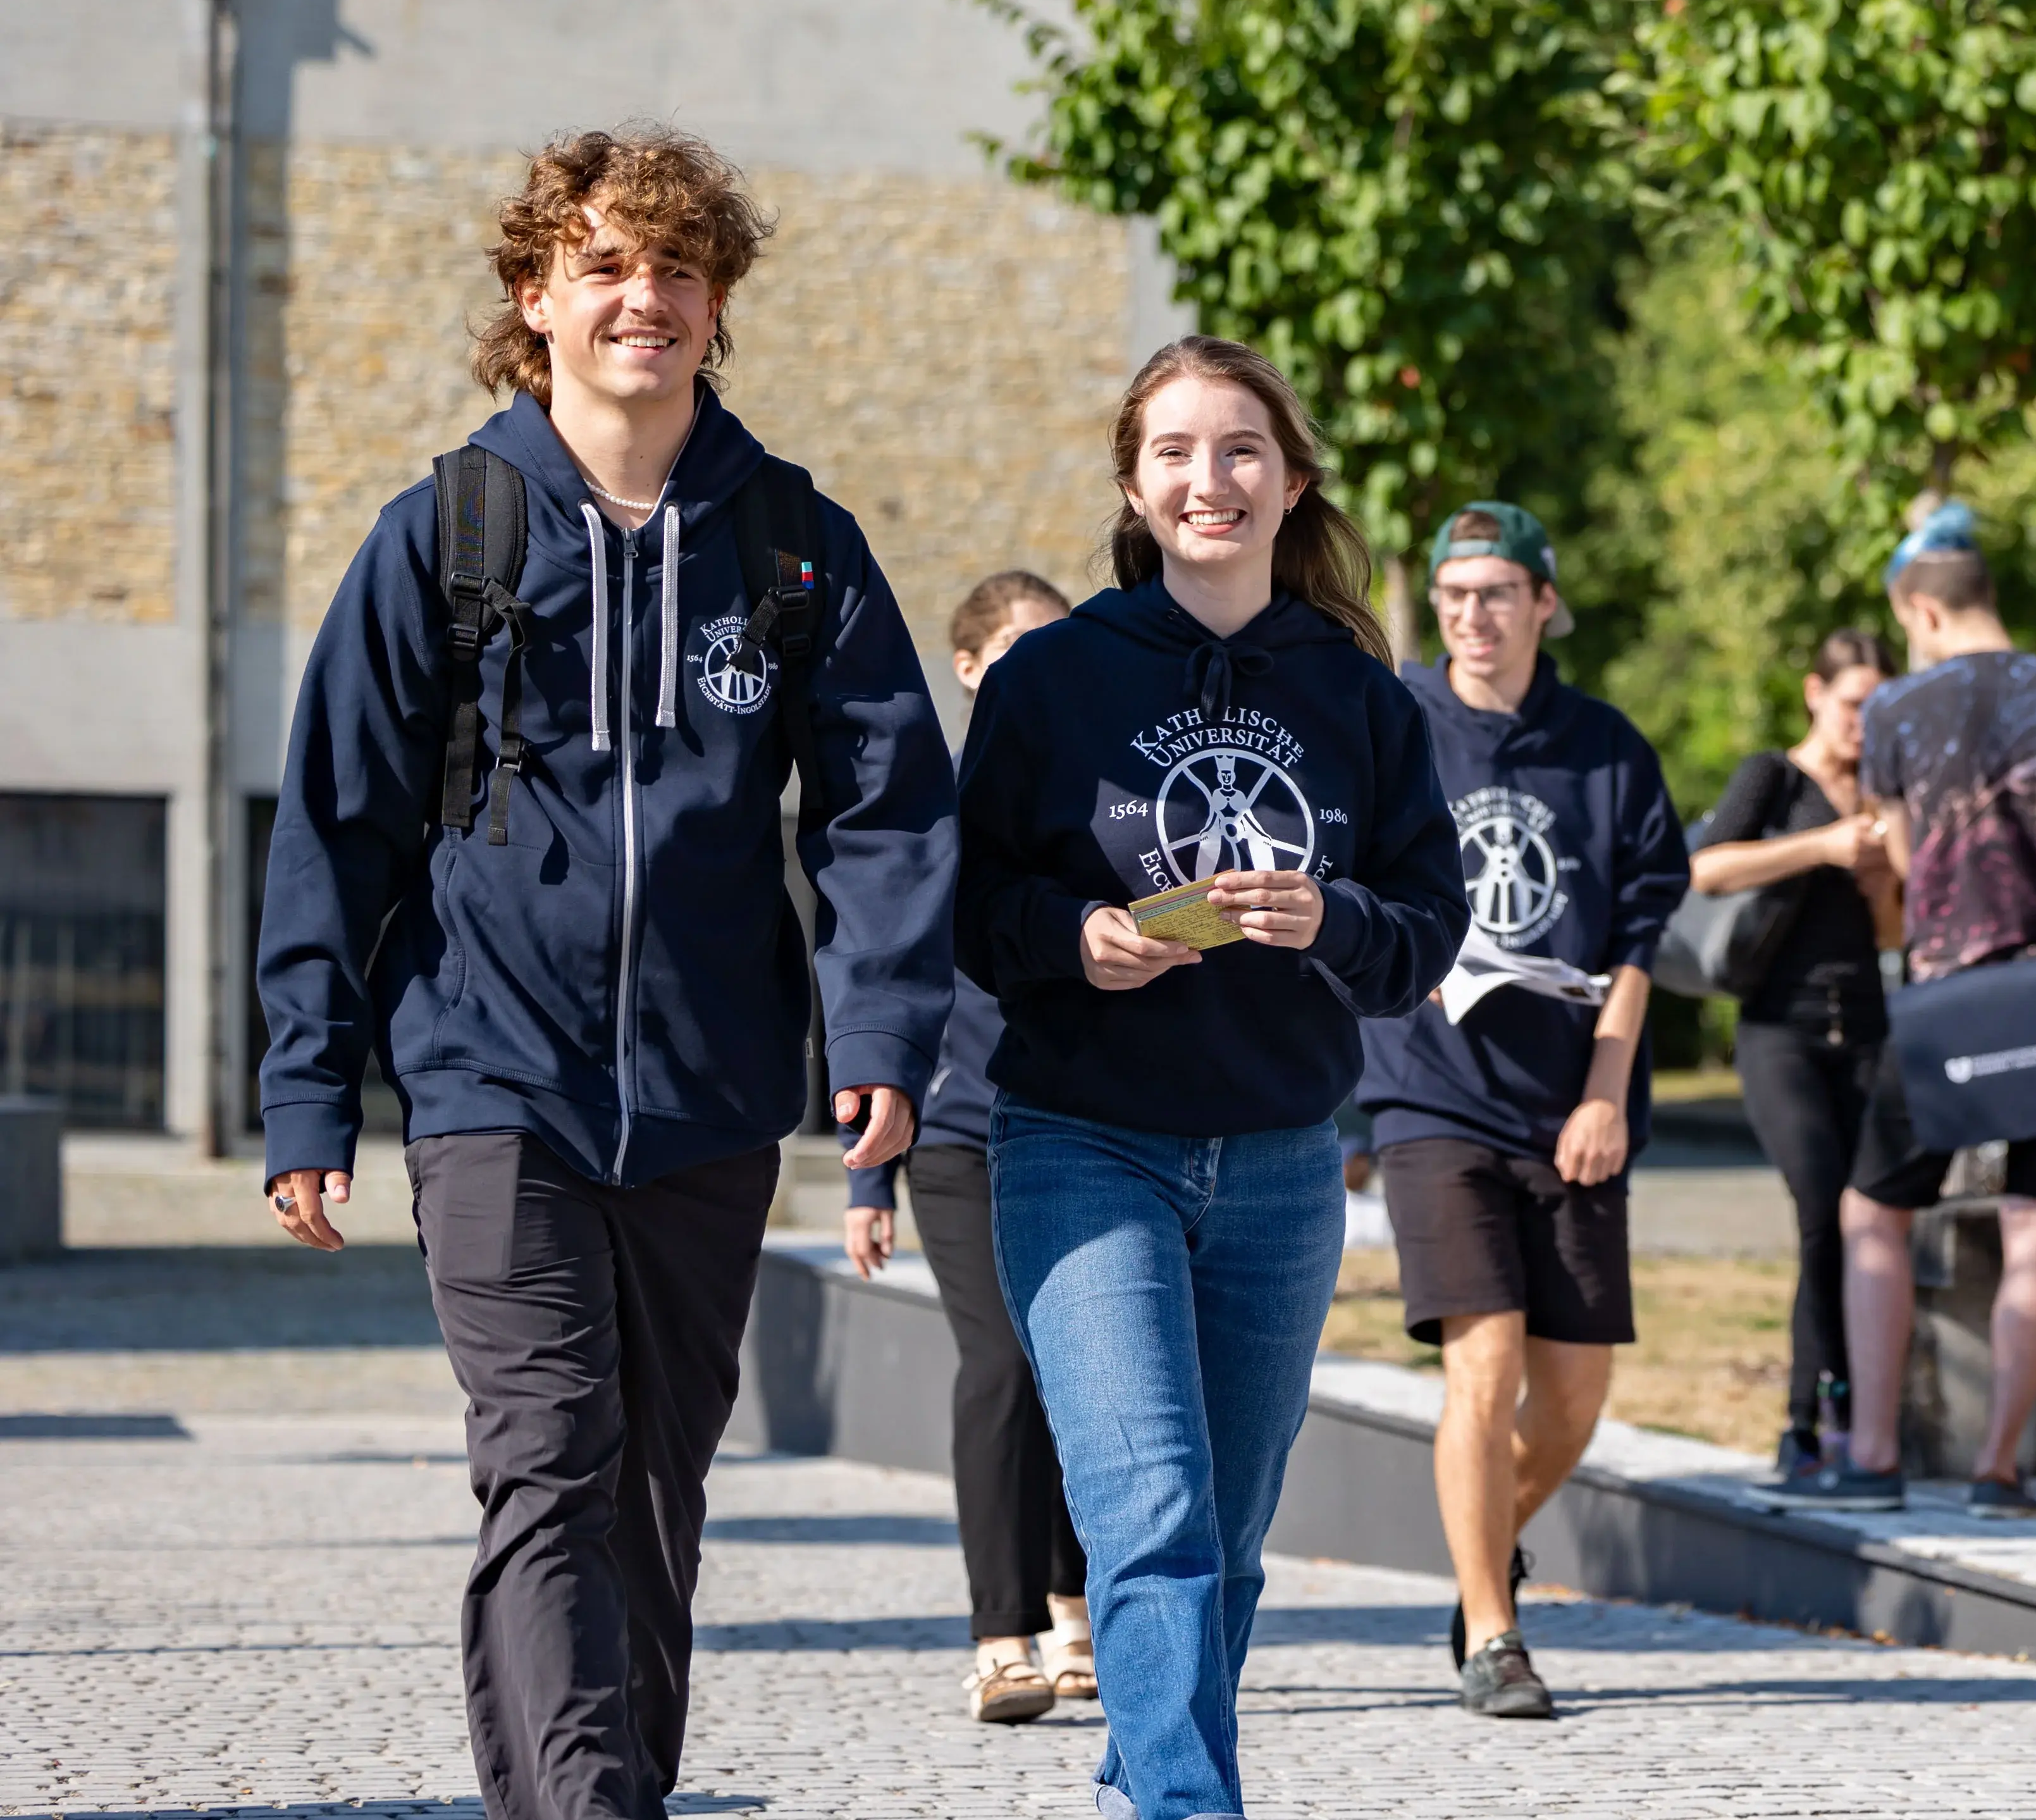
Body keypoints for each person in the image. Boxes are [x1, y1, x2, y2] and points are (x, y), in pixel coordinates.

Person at [254, 127, 955, 1820]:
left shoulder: (793, 543)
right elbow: (335, 819)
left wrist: (877, 1025)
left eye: (678, 269)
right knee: (549, 1468)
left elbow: (885, 809)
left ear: (718, 306)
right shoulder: (451, 533)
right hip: (496, 1078)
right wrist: (304, 1083)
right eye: (605, 268)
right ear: (535, 299)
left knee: (654, 1496)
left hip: (712, 1098)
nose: (646, 298)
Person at [954, 335, 1465, 1820]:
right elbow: (969, 909)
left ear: (1291, 479)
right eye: (1174, 450)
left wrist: (1340, 917)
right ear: (1133, 483)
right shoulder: (1052, 680)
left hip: (1284, 1162)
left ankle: (1149, 1780)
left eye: (1240, 448)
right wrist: (1079, 937)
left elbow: (1425, 933)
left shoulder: (1360, 698)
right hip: (1081, 1146)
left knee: (1225, 1544)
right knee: (1154, 1523)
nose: (1209, 478)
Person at [1354, 502, 1689, 1720]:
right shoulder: (1396, 719)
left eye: (1496, 592)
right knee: (1482, 1367)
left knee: (1574, 1401)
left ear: (1544, 603)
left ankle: (1474, 1560)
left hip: (1572, 1106)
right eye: (1453, 595)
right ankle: (1495, 1636)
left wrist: (1605, 1092)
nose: (1472, 615)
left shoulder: (1605, 750)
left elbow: (1639, 939)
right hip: (1429, 1093)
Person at [1767, 501, 2036, 1520]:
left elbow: (1906, 856)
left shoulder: (1896, 715)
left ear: (1920, 612)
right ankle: (1998, 1469)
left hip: (1942, 995)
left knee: (1873, 1212)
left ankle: (1874, 1455)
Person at [842, 569, 1092, 1724]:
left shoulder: (1096, 793)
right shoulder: (929, 806)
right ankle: (1003, 1637)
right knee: (1002, 1365)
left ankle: (1074, 1602)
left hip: (1082, 1130)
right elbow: (887, 981)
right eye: (1024, 651)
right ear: (969, 667)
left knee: (1082, 1372)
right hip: (954, 1134)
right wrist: (865, 1173)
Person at [1687, 628, 1902, 1477]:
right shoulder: (1772, 777)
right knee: (1819, 1210)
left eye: (1880, 710)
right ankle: (1805, 1419)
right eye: (1853, 705)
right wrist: (1821, 845)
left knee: (1869, 1222)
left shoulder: (1889, 792)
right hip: (1780, 1029)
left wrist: (1882, 879)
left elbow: (1893, 934)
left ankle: (1860, 1410)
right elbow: (1705, 870)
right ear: (1816, 693)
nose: (1863, 724)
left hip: (1869, 1029)